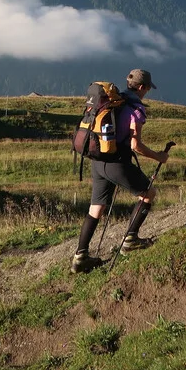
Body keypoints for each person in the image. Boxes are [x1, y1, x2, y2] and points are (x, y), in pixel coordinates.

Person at [71, 69, 169, 273]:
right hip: (117, 163)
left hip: (98, 160)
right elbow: (136, 146)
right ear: (142, 87)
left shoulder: (114, 101)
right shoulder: (136, 109)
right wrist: (159, 156)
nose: (148, 91)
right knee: (148, 194)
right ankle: (130, 240)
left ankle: (80, 256)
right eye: (148, 88)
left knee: (96, 209)